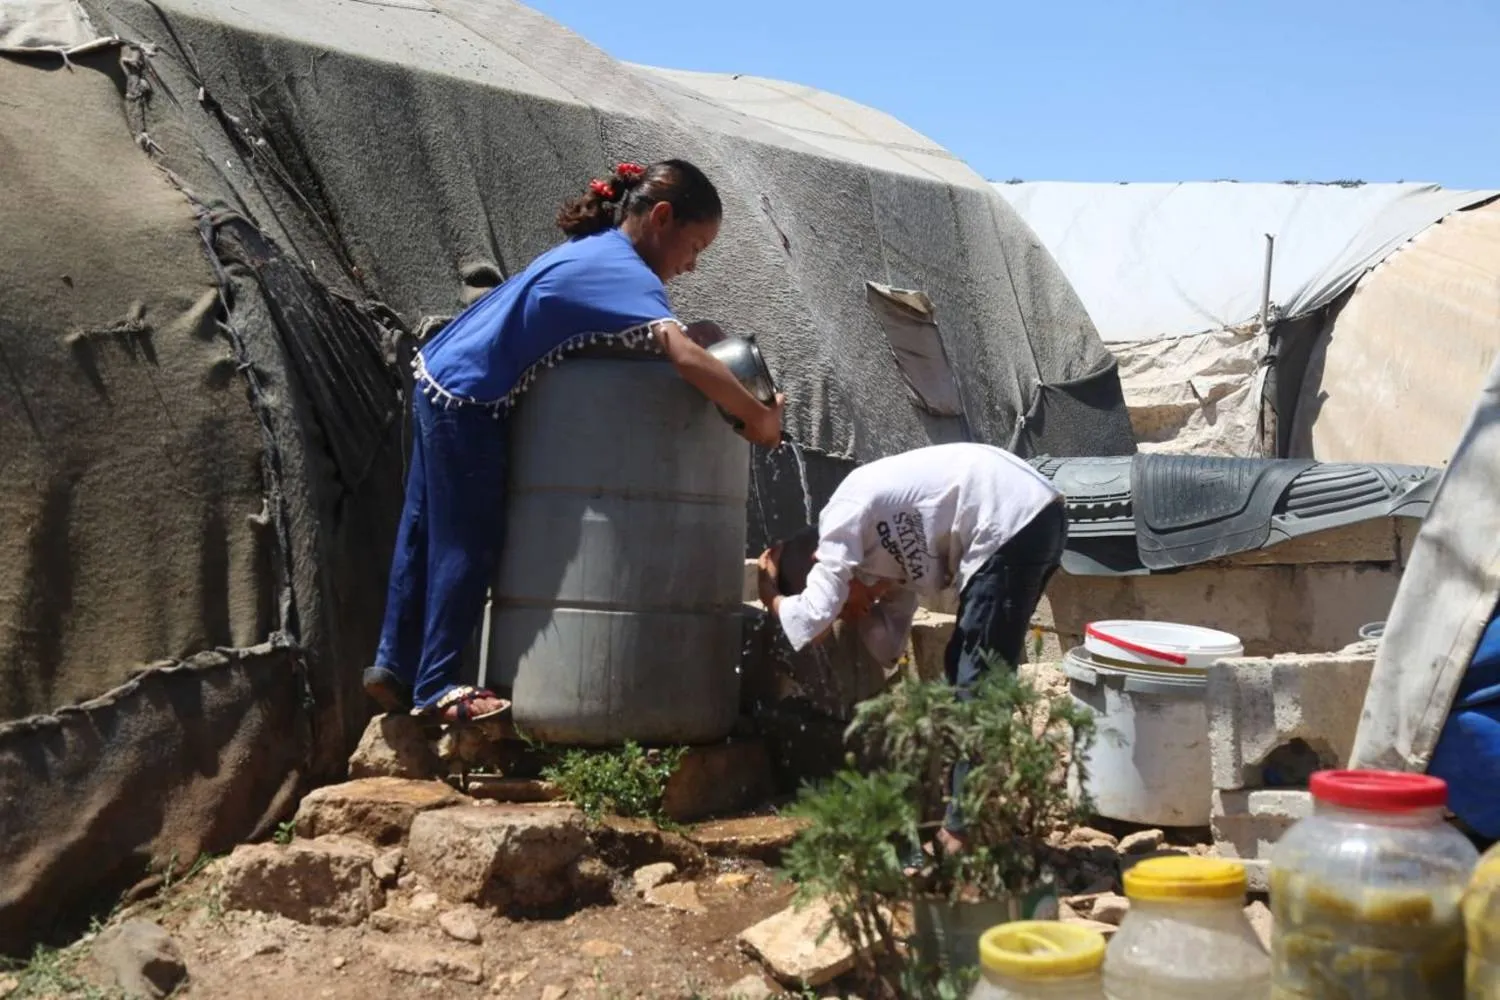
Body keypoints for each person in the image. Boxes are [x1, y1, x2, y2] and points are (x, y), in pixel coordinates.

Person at [365, 159, 785, 724]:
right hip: (471, 398)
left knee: (421, 533)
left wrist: (694, 335)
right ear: (661, 217)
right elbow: (683, 359)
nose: (691, 265)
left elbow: (635, 336)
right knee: (468, 542)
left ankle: (393, 668)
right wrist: (757, 419)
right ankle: (439, 688)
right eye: (695, 246)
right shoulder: (628, 272)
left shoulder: (603, 253)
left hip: (439, 376)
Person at [755, 442, 1066, 859]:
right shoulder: (884, 565)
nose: (856, 610)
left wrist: (770, 595)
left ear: (821, 566)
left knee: (978, 676)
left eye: (843, 604)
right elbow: (889, 646)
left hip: (1008, 514)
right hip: (1032, 514)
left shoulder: (841, 517)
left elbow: (811, 623)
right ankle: (974, 817)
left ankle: (965, 834)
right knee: (970, 667)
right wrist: (862, 607)